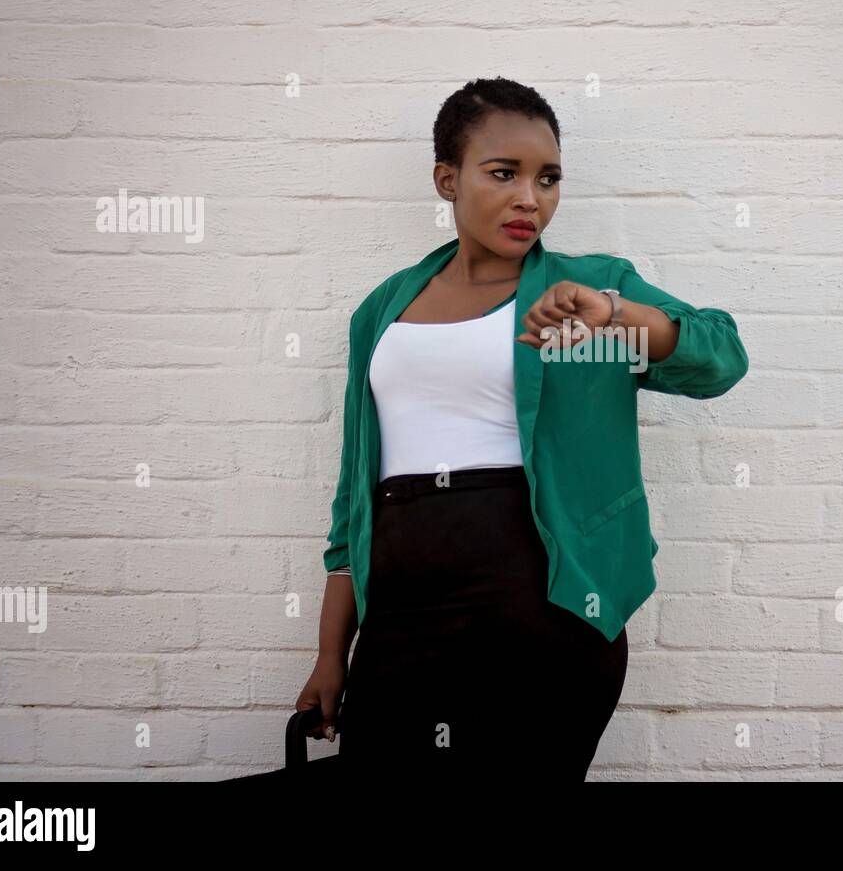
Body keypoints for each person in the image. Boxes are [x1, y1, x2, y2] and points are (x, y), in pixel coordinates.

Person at [294, 76, 748, 780]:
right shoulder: (382, 310)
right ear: (447, 179)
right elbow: (352, 500)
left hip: (544, 606)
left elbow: (719, 356)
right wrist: (332, 654)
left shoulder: (585, 293)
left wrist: (616, 314)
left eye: (549, 178)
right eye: (503, 173)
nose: (529, 198)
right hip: (403, 615)